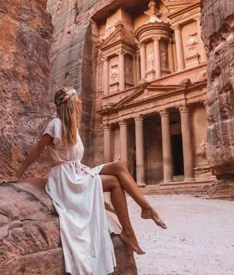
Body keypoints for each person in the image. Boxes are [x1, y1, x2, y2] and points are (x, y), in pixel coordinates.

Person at [3, 87, 167, 275]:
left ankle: (145, 208)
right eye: (77, 99)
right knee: (114, 182)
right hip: (66, 180)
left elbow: (75, 159)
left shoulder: (72, 125)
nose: (80, 102)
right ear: (71, 103)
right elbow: (36, 151)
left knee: (119, 166)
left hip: (78, 171)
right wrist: (18, 174)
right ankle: (129, 230)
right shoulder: (55, 125)